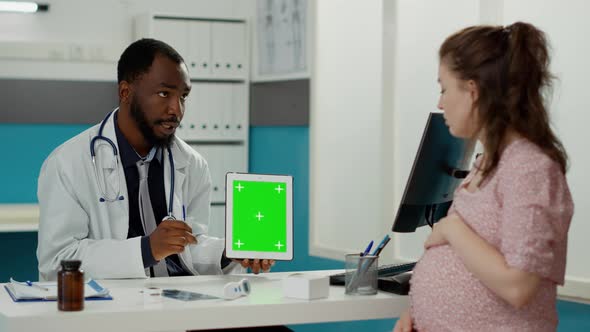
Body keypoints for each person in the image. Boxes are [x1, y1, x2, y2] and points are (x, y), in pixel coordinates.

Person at [37, 38, 272, 281]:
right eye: (164, 93)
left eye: (183, 96)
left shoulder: (192, 164)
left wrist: (225, 253)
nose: (177, 110)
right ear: (125, 92)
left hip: (176, 302)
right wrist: (146, 250)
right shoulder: (68, 164)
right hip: (109, 309)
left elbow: (188, 247)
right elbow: (57, 262)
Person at [394, 22, 573, 332]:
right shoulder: (487, 164)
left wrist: (452, 229)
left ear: (473, 92)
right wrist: (418, 314)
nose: (440, 102)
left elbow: (518, 286)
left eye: (444, 88)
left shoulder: (529, 168)